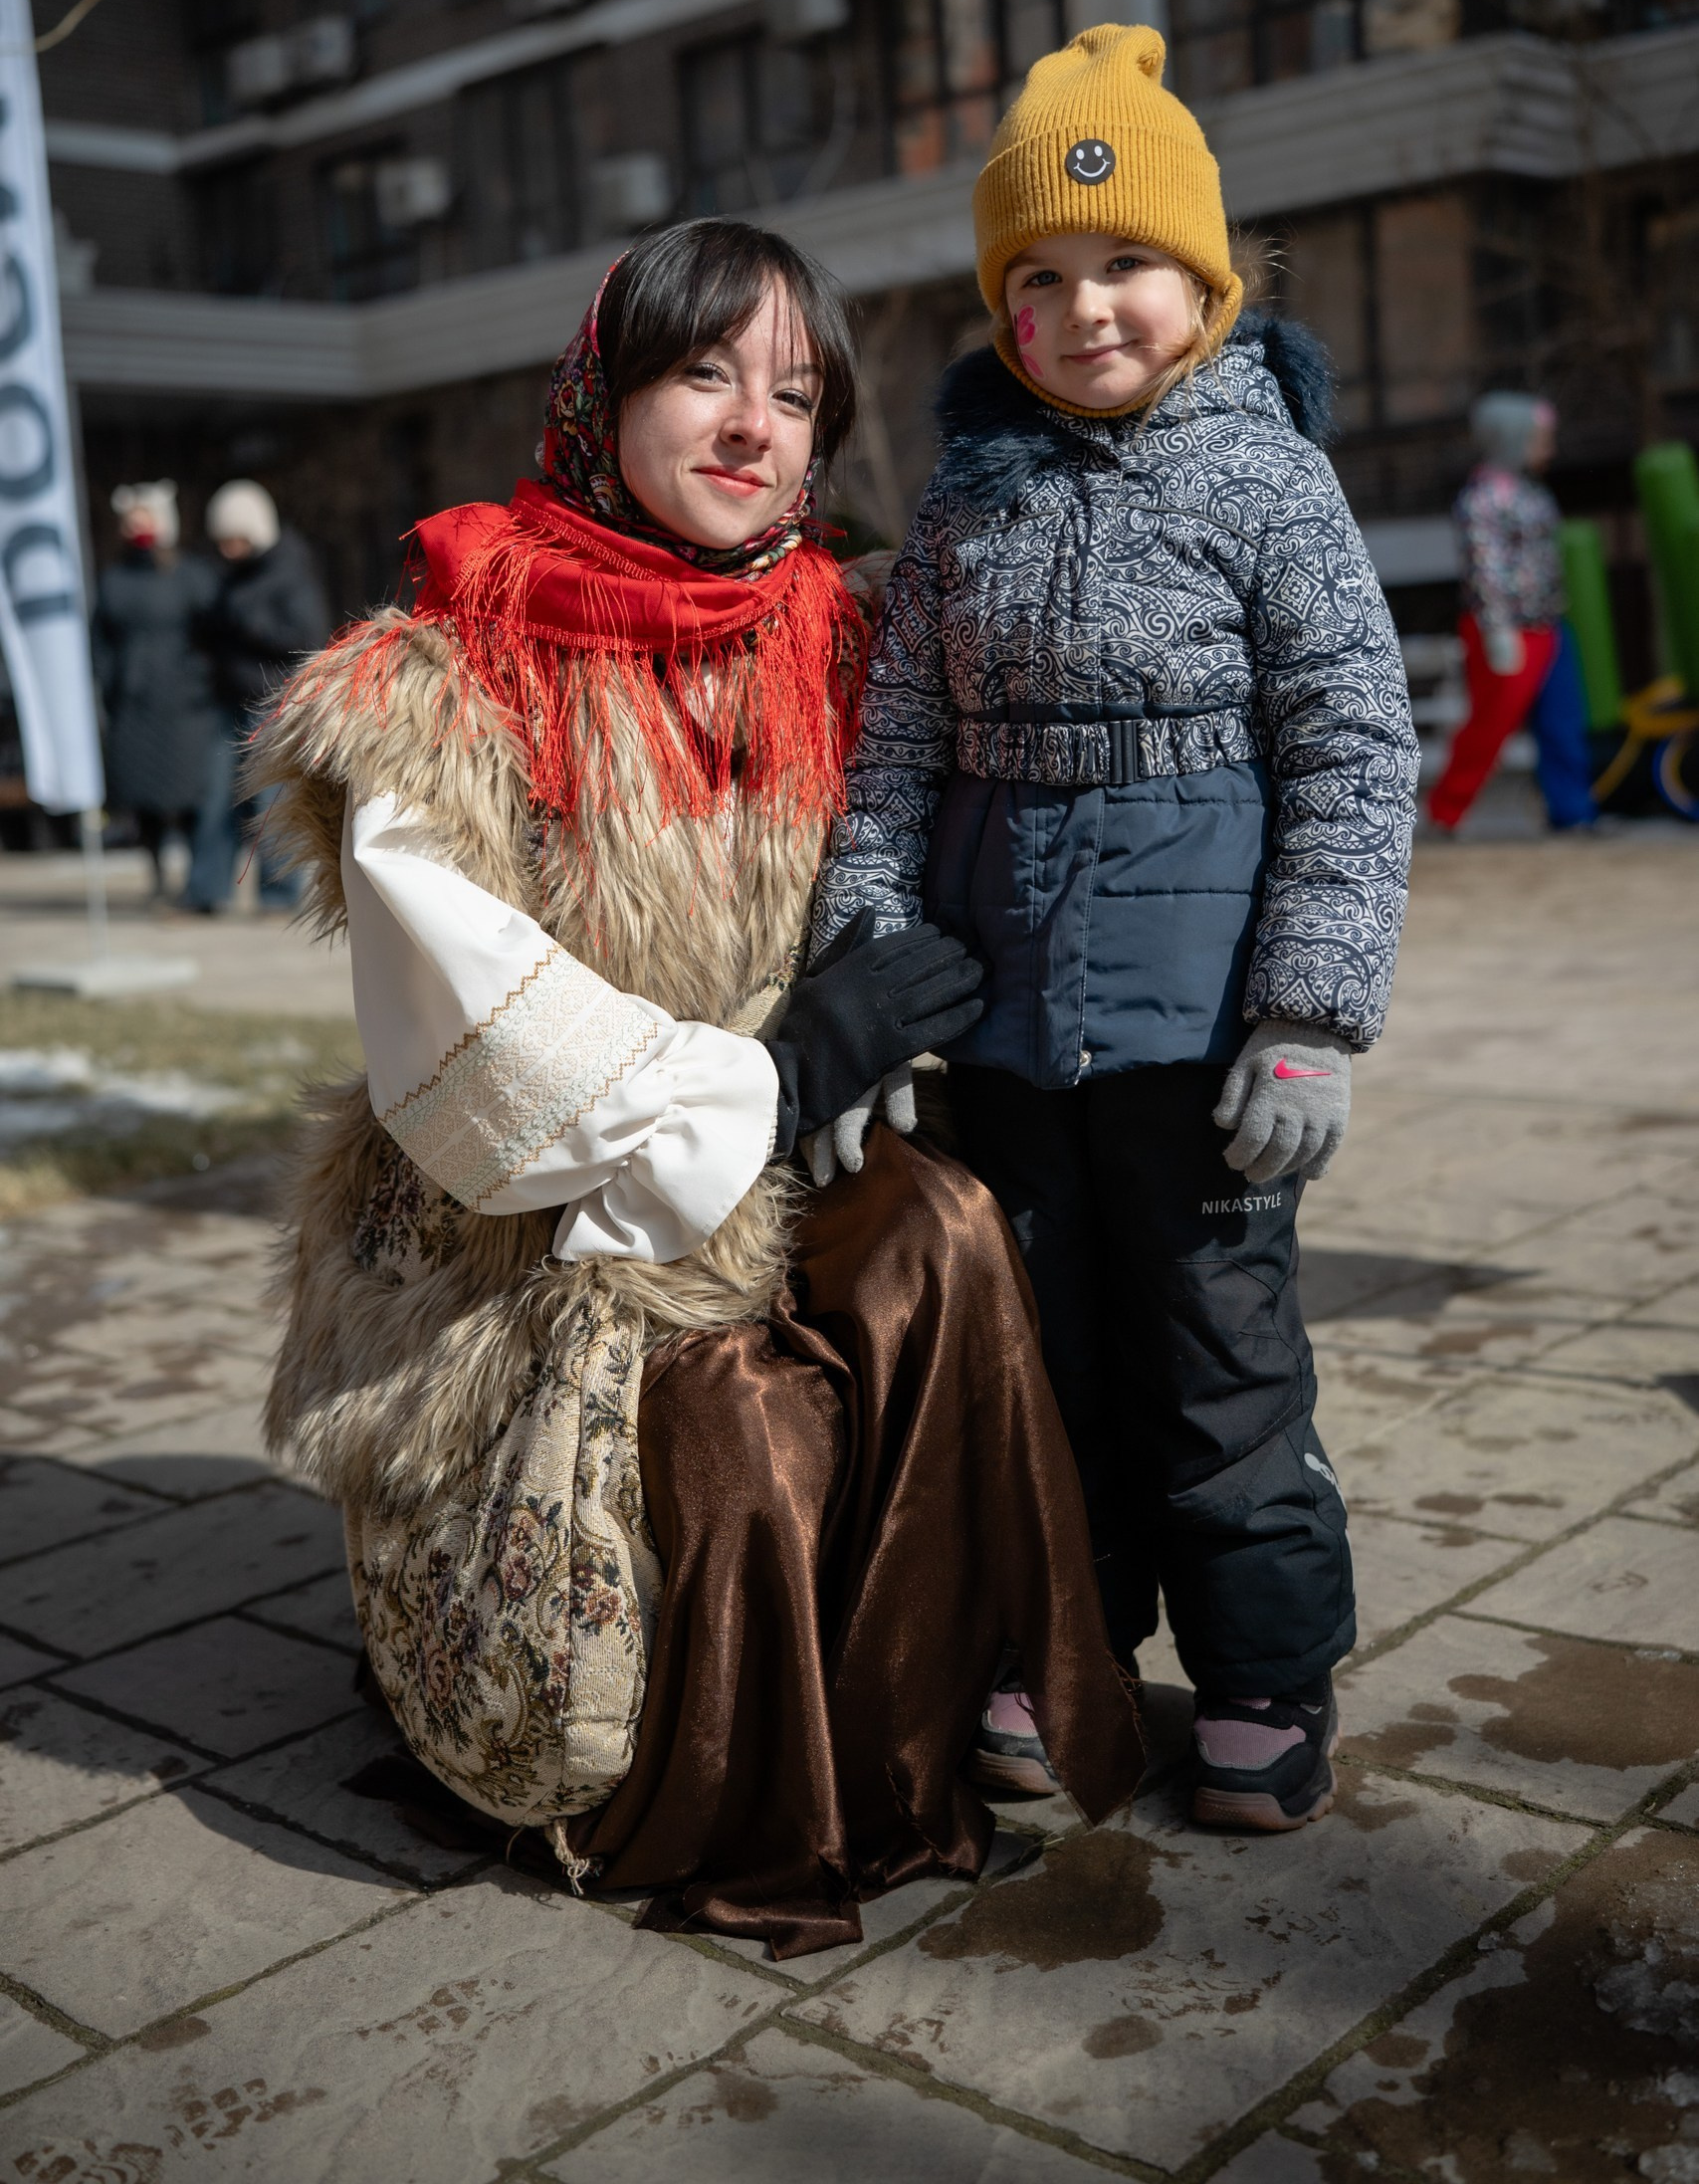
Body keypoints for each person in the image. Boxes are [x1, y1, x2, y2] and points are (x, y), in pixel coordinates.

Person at [251, 219, 1143, 1957]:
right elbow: (475, 1031)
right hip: (534, 1234)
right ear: (606, 396)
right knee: (741, 1422)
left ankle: (944, 1711)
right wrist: (781, 1066)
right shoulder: (444, 672)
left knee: (947, 1234)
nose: (753, 426)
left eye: (796, 396)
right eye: (704, 374)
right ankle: (710, 1786)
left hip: (798, 1155)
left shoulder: (850, 635)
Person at [812, 25, 1420, 1835]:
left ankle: (1261, 1671)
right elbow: (894, 753)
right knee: (1044, 1356)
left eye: (1127, 265)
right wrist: (865, 973)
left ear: (1206, 281)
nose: (1084, 309)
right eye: (1041, 276)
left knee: (1213, 1354)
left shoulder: (1268, 479)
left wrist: (1309, 1014)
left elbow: (1352, 745)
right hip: (1003, 1024)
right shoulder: (964, 501)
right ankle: (1066, 1643)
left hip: (1203, 1030)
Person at [1426, 392, 1598, 834]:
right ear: (1512, 438)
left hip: (1548, 624)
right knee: (1490, 724)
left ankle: (1573, 812)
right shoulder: (1483, 497)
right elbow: (1485, 565)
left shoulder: (1531, 492)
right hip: (1504, 629)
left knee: (1563, 721)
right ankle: (1446, 812)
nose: (1548, 449)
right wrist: (1496, 626)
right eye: (1539, 439)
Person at [184, 479, 330, 913]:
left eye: (234, 539)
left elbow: (306, 638)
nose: (226, 548)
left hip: (272, 704)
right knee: (216, 796)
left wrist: (243, 622)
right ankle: (206, 893)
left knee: (272, 802)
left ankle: (278, 894)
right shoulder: (229, 577)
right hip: (229, 702)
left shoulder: (291, 571)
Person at [91, 482, 218, 900]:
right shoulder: (114, 579)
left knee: (193, 793)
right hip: (135, 703)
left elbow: (214, 633)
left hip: (187, 704)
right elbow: (101, 641)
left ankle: (199, 879)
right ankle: (158, 871)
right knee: (142, 796)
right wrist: (110, 685)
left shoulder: (192, 575)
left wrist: (203, 677)